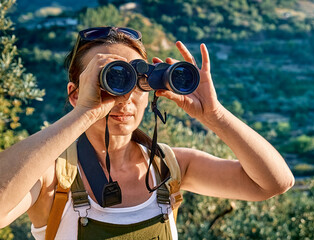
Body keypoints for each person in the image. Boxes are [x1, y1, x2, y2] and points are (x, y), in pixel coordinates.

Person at [0, 26, 295, 239]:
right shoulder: (53, 177)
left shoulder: (170, 167)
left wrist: (215, 116)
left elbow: (274, 183)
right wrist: (85, 113)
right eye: (111, 81)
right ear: (75, 94)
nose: (125, 98)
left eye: (136, 81)